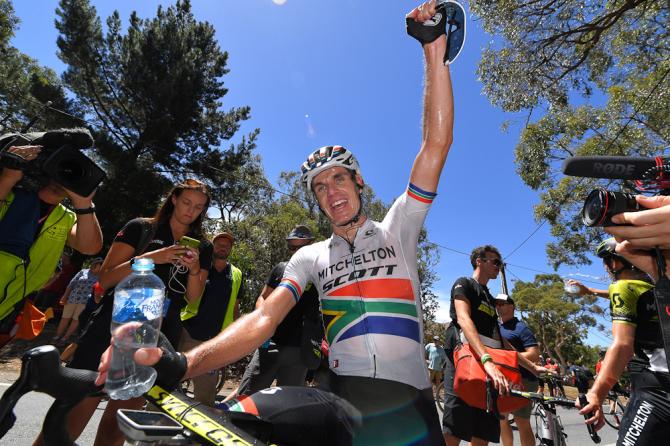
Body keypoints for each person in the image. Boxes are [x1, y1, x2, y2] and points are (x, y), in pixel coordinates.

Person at [97, 3, 459, 444]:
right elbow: (265, 318)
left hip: (411, 405)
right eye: (320, 187)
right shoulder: (310, 256)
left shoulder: (397, 229)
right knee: (230, 419)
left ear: (359, 182)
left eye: (339, 178)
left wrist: (433, 47)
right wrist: (185, 363)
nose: (332, 191)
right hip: (339, 399)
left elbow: (435, 146)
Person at [34, 178, 213, 446]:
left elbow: (194, 298)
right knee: (73, 413)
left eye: (198, 207)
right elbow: (105, 279)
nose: (190, 211)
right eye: (186, 202)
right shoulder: (141, 228)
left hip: (156, 337)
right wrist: (154, 257)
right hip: (112, 327)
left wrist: (196, 270)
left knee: (118, 425)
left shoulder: (203, 246)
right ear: (173, 199)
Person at [0, 144, 103, 346]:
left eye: (73, 173)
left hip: (9, 307)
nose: (64, 177)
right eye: (62, 168)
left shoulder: (67, 217)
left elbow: (89, 247)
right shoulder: (11, 194)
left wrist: (83, 205)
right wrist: (8, 177)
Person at [443, 246, 546, 446]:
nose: (499, 267)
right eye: (495, 262)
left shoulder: (491, 299)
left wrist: (532, 367)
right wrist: (487, 360)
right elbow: (464, 319)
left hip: (487, 367)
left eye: (500, 263)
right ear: (479, 261)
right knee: (455, 428)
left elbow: (502, 342)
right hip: (463, 363)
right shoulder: (464, 284)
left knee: (483, 430)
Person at [579, 237, 669, 444]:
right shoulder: (658, 286)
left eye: (606, 261)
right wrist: (591, 291)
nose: (606, 267)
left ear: (616, 262)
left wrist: (597, 393)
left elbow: (622, 345)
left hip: (655, 390)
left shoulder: (622, 287)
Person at [235, 225, 322, 397]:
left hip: (299, 350)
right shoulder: (281, 268)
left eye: (301, 247)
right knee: (246, 396)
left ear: (311, 246)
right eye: (292, 247)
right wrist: (262, 321)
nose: (296, 251)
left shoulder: (320, 275)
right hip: (270, 343)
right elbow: (263, 297)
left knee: (288, 405)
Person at [179, 231, 243, 406]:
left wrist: (234, 337)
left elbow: (235, 307)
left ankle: (198, 432)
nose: (223, 247)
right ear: (212, 246)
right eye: (219, 244)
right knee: (169, 381)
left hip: (213, 342)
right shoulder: (199, 267)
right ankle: (155, 423)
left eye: (227, 245)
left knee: (206, 395)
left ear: (231, 249)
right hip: (187, 332)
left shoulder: (236, 274)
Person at [495, 293, 539, 446]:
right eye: (497, 303)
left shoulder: (521, 328)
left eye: (502, 303)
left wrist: (511, 357)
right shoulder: (496, 327)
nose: (499, 306)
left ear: (512, 306)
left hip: (524, 379)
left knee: (522, 421)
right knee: (502, 418)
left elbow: (534, 355)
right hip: (505, 379)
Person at [52, 257, 103, 344]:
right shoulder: (83, 271)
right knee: (65, 318)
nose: (97, 266)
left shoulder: (101, 276)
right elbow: (71, 284)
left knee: (76, 320)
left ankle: (65, 338)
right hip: (72, 298)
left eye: (100, 265)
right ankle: (57, 335)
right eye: (97, 264)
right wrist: (65, 296)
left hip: (85, 302)